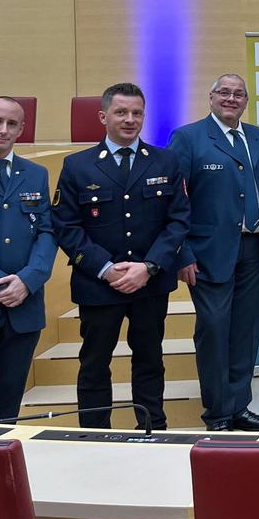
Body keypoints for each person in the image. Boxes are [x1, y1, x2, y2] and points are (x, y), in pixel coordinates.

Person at [51, 83, 190, 429]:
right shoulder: (77, 166)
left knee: (149, 360)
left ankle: (152, 429)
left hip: (150, 283)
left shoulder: (166, 161)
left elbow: (178, 220)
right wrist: (105, 269)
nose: (130, 120)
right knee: (95, 362)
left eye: (137, 113)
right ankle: (97, 435)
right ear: (103, 116)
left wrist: (149, 266)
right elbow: (66, 226)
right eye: (121, 112)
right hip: (98, 286)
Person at [167, 74, 259, 431]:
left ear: (246, 101)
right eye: (224, 92)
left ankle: (239, 406)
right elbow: (174, 202)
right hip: (208, 253)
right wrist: (182, 253)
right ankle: (218, 413)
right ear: (211, 97)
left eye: (238, 94)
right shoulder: (188, 138)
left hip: (256, 249)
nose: (231, 98)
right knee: (215, 328)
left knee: (245, 331)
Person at [0, 97, 56, 423]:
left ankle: (1, 472)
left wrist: (28, 280)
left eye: (12, 124)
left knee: (8, 411)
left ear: (22, 129)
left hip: (24, 307)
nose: (3, 130)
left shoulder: (35, 174)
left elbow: (47, 233)